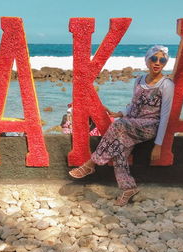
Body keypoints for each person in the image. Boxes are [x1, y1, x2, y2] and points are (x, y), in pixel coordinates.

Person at [68, 45, 174, 206]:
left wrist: (158, 144)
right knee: (119, 151)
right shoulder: (139, 80)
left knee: (119, 125)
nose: (158, 62)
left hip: (149, 127)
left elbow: (165, 115)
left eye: (162, 60)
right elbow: (134, 105)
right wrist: (121, 113)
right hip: (131, 123)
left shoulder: (167, 85)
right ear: (147, 60)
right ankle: (128, 188)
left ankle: (91, 163)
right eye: (154, 58)